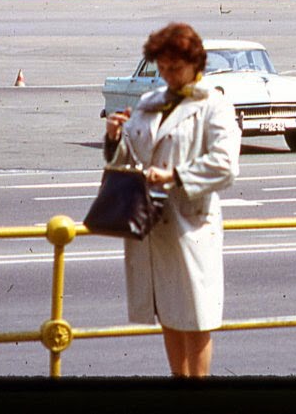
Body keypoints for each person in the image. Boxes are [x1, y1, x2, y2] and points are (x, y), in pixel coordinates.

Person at [103, 22, 239, 376]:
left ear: (196, 63)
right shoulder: (150, 102)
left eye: (175, 68)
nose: (168, 76)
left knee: (196, 318)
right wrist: (115, 137)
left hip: (190, 226)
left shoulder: (215, 105)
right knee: (169, 315)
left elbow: (225, 165)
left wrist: (175, 176)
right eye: (161, 68)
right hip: (152, 225)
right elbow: (129, 155)